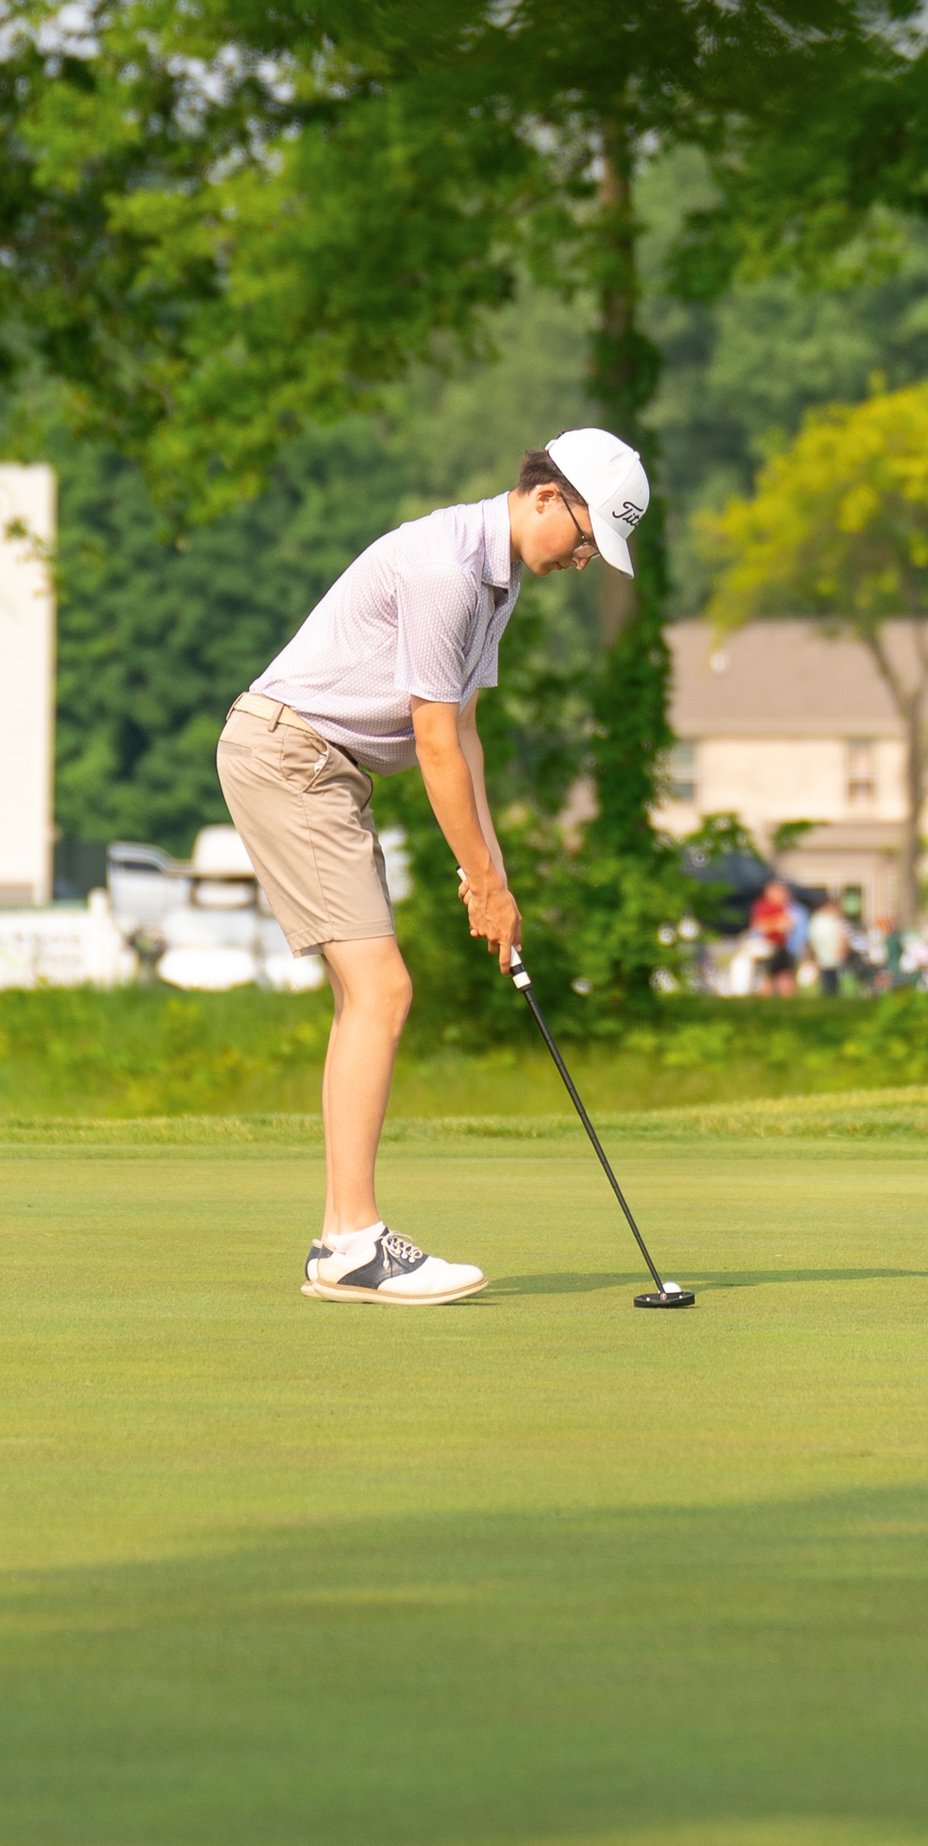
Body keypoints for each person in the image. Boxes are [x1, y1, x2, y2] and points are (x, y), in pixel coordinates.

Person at [217, 428, 649, 1307]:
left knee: (365, 995)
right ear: (543, 496)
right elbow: (431, 738)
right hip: (292, 757)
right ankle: (355, 1242)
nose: (585, 559)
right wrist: (481, 881)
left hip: (322, 768)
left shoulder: (497, 582)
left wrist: (491, 873)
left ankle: (342, 1240)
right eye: (587, 535)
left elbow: (469, 736)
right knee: (385, 990)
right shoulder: (449, 571)